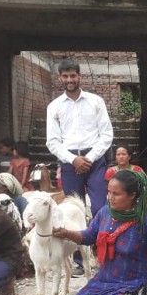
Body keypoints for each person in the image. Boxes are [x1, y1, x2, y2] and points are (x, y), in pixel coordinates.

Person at [55, 170, 147, 295]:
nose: (110, 197)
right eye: (109, 192)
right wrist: (66, 233)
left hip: (132, 283)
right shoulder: (104, 213)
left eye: (116, 194)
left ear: (132, 195)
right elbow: (88, 236)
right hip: (105, 279)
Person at [46, 60, 113, 219]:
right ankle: (81, 243)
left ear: (79, 76)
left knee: (99, 207)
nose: (69, 80)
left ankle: (99, 242)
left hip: (95, 161)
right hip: (69, 162)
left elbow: (106, 134)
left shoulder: (95, 101)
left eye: (73, 76)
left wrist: (88, 158)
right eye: (65, 76)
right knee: (75, 210)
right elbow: (52, 141)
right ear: (60, 78)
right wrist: (73, 159)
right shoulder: (54, 106)